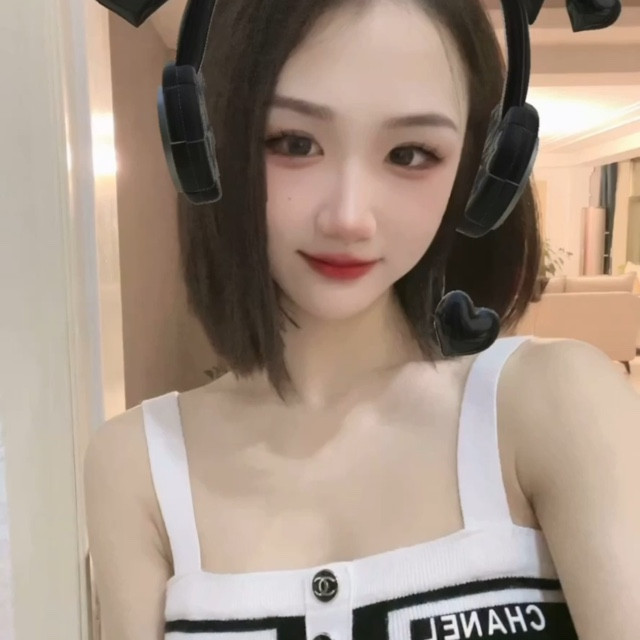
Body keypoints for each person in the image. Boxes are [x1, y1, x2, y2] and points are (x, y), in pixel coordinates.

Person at [83, 0, 640, 638]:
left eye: (410, 154)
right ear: (207, 149)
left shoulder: (557, 404)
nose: (349, 217)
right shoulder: (137, 463)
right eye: (295, 143)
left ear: (486, 172)